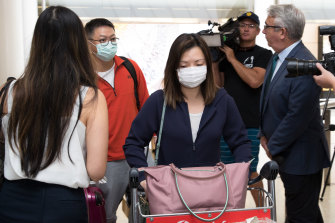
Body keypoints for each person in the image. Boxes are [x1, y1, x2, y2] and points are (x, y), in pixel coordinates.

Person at [0, 6, 108, 223]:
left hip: (11, 199)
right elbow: (96, 170)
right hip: (64, 204)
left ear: (37, 42)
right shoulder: (90, 98)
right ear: (78, 44)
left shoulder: (8, 92)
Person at [123, 33, 252, 188]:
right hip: (169, 190)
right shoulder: (159, 101)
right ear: (174, 67)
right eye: (184, 65)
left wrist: (240, 174)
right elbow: (133, 142)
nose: (192, 70)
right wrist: (143, 176)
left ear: (207, 65)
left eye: (198, 64)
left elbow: (240, 142)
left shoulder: (222, 100)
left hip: (211, 189)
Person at [260, 4, 330, 223]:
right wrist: (263, 133)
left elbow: (297, 116)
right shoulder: (277, 57)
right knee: (304, 212)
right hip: (286, 152)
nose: (263, 31)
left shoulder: (305, 63)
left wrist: (273, 145)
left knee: (300, 215)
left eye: (267, 26)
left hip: (302, 156)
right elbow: (266, 99)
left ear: (283, 32)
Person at [85, 18, 149, 223]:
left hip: (137, 155)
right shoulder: (82, 78)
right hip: (104, 162)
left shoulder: (130, 68)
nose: (109, 44)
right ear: (88, 44)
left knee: (144, 212)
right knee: (105, 216)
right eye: (102, 40)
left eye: (113, 39)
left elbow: (146, 109)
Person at [212, 11, 273, 206]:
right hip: (224, 123)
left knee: (249, 169)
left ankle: (264, 211)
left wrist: (231, 58)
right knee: (223, 169)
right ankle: (228, 212)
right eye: (242, 25)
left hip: (250, 123)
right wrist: (214, 60)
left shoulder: (264, 54)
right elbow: (217, 85)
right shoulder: (227, 52)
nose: (246, 28)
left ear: (257, 31)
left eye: (251, 25)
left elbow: (255, 81)